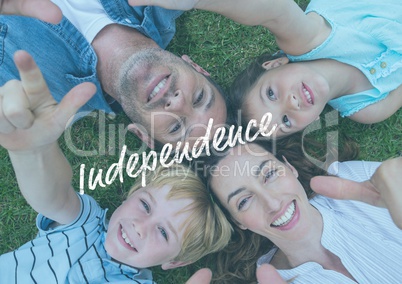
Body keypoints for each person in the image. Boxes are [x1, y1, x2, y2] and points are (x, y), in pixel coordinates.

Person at [0, 50, 232, 283]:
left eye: (163, 233)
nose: (140, 227)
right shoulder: (86, 225)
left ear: (176, 262)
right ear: (129, 197)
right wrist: (33, 152)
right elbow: (52, 195)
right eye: (144, 205)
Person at [128, 0, 402, 138]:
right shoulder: (367, 109)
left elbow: (272, 10)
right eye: (285, 121)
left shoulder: (306, 42)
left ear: (275, 64)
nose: (291, 104)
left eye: (271, 94)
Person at [0, 0, 228, 149]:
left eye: (176, 127)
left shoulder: (34, 91)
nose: (177, 103)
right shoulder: (171, 3)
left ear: (142, 134)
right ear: (197, 67)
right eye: (199, 98)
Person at [200, 140, 402, 283]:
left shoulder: (353, 181)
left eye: (269, 174)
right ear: (238, 222)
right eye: (244, 201)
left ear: (289, 168)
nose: (272, 203)